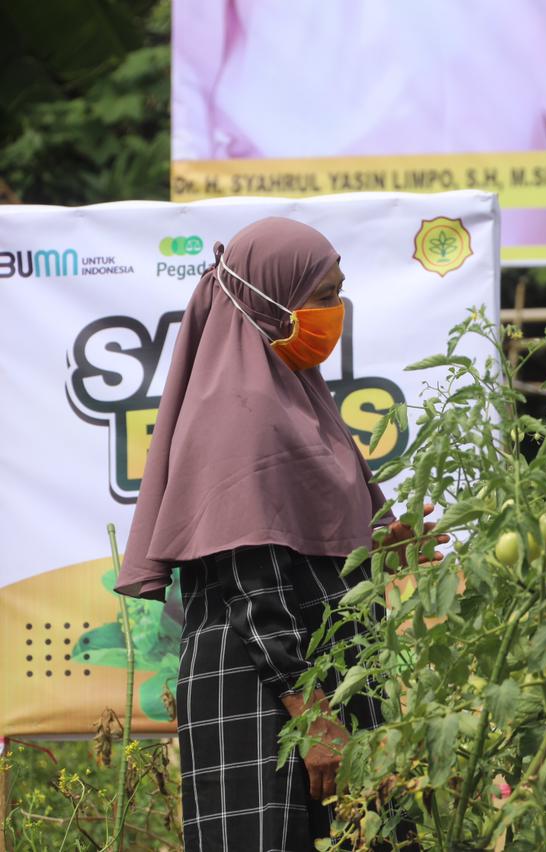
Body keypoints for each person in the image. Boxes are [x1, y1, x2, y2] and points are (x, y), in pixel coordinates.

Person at [115, 218, 443, 851]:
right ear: (268, 299)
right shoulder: (237, 410)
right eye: (322, 294)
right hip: (267, 694)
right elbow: (249, 581)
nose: (335, 311)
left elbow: (294, 546)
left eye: (339, 293)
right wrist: (312, 715)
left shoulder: (294, 394)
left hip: (323, 681)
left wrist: (371, 548)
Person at [171, 0, 546, 247]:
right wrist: (189, 223)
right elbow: (192, 62)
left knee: (521, 431)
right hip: (294, 214)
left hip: (509, 227)